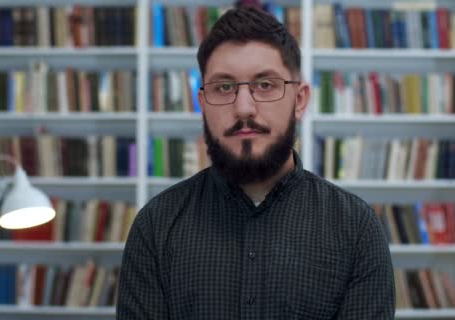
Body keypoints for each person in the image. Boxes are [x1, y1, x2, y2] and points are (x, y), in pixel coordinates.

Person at [117, 6, 394, 320]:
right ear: (203, 103)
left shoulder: (356, 230)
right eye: (224, 87)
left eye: (265, 85)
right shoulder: (156, 226)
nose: (244, 108)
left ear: (300, 100)